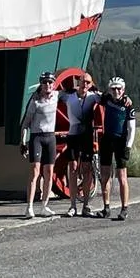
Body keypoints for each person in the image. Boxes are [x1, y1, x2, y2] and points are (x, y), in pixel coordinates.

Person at [58, 72, 100, 217]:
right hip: (73, 136)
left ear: (91, 84)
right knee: (73, 168)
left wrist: (127, 99)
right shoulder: (68, 96)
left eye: (88, 82)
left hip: (87, 136)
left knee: (87, 169)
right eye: (83, 81)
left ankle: (86, 205)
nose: (85, 84)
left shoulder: (94, 97)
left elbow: (110, 99)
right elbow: (52, 95)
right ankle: (73, 206)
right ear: (78, 82)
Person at [94, 75, 136, 221]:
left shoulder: (128, 105)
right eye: (113, 89)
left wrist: (128, 147)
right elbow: (96, 95)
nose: (116, 91)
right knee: (105, 175)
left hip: (121, 142)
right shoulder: (107, 99)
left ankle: (124, 209)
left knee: (122, 176)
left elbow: (132, 129)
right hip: (107, 140)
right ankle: (106, 207)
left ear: (123, 90)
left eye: (119, 89)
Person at [19, 70, 59, 218]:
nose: (47, 85)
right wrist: (23, 142)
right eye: (44, 82)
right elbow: (25, 124)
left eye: (50, 82)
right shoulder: (35, 101)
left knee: (49, 172)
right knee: (35, 171)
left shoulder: (57, 96)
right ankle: (29, 207)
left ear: (53, 84)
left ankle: (44, 206)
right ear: (41, 84)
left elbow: (74, 94)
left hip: (50, 137)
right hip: (37, 137)